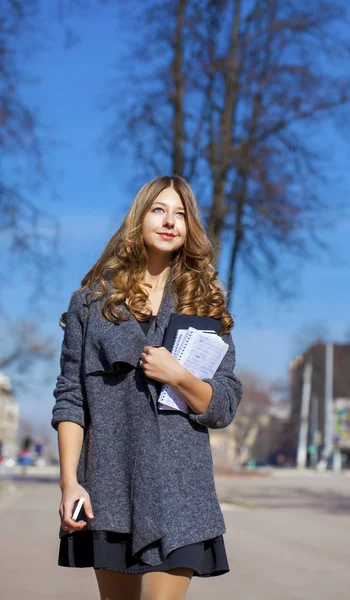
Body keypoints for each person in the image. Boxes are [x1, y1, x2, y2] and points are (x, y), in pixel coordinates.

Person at [51, 175, 243, 600]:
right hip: (110, 487)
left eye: (180, 214)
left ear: (190, 228)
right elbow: (71, 399)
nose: (170, 221)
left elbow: (224, 404)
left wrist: (179, 375)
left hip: (182, 493)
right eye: (159, 210)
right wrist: (70, 482)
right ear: (139, 219)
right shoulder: (91, 303)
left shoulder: (206, 306)